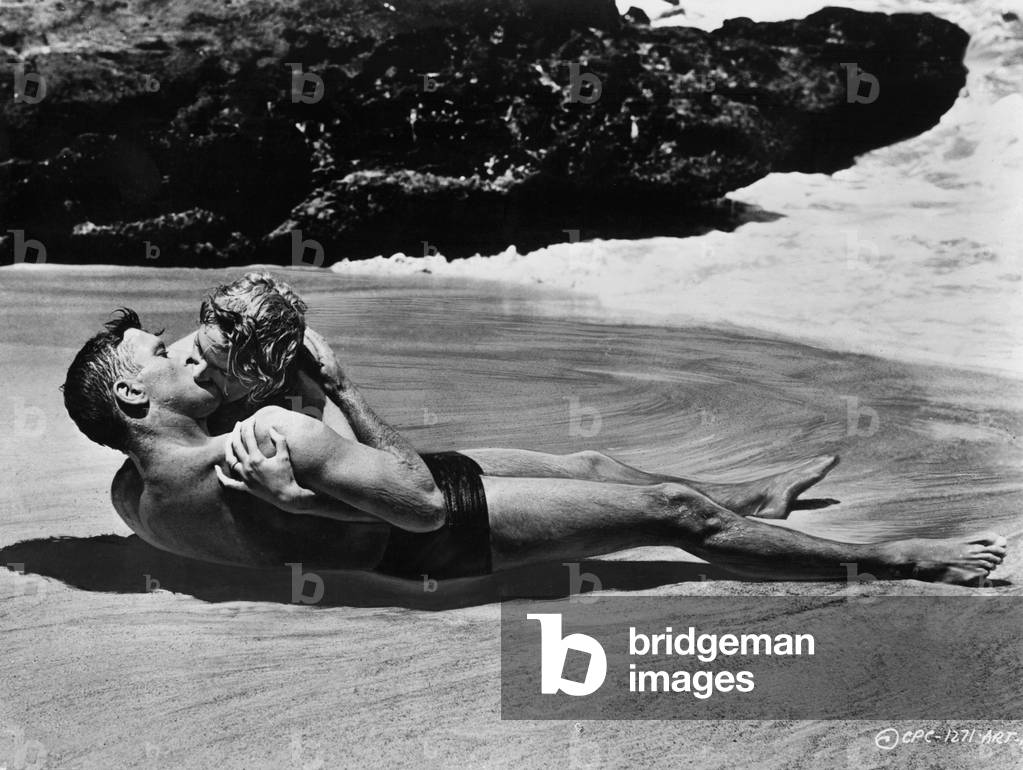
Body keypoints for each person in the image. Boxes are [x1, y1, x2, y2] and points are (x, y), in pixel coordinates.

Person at [62, 309, 1008, 585]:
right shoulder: (277, 433)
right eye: (171, 352)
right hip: (432, 534)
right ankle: (895, 561)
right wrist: (333, 389)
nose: (195, 347)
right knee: (670, 518)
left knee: (597, 469)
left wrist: (300, 504)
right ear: (135, 393)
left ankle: (752, 502)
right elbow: (418, 500)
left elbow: (276, 527)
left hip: (372, 508)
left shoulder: (133, 499)